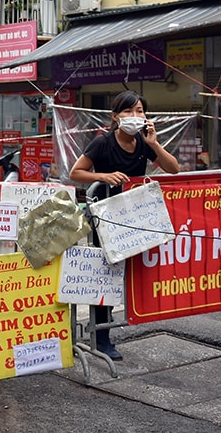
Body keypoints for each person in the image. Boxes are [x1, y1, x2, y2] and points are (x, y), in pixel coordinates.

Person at [69, 90, 180, 361]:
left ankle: (125, 319)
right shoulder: (102, 143)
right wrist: (103, 176)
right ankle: (102, 338)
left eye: (140, 111)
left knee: (131, 274)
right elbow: (76, 172)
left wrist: (154, 144)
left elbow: (173, 168)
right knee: (105, 275)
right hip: (104, 219)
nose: (134, 116)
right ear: (116, 117)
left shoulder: (144, 142)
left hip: (135, 219)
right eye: (128, 112)